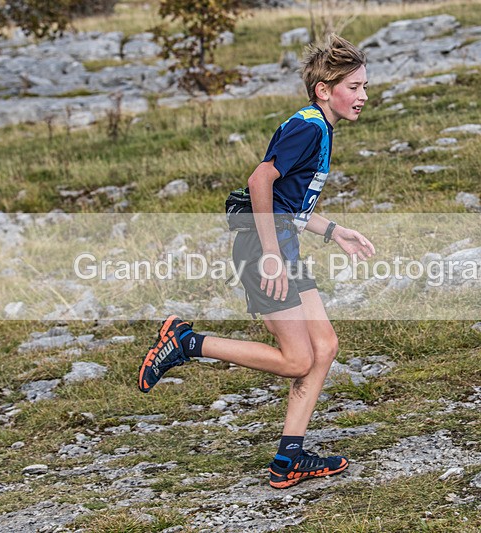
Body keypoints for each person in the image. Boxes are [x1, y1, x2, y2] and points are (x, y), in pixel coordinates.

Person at [138, 34, 375, 489]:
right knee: (295, 359)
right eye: (354, 86)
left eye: (365, 86)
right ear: (324, 89)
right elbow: (260, 181)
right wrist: (271, 255)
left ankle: (288, 459)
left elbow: (289, 202)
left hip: (282, 242)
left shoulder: (319, 126)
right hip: (263, 247)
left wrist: (333, 230)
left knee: (324, 347)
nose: (363, 96)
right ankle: (187, 343)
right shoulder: (309, 125)